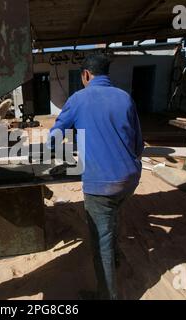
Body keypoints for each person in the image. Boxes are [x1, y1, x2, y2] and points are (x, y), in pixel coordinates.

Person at [49, 54, 144, 299]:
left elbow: (54, 137)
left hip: (101, 185)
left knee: (100, 241)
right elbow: (138, 144)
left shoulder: (78, 99)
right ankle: (116, 259)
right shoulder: (125, 98)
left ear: (86, 75)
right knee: (113, 218)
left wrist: (62, 152)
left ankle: (108, 295)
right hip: (130, 179)